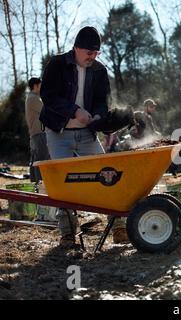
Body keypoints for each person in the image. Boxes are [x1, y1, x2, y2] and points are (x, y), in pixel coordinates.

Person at [40, 26, 127, 247]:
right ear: (76, 48)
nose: (92, 57)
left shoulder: (99, 70)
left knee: (107, 176)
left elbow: (102, 100)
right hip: (58, 132)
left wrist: (98, 114)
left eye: (96, 53)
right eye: (88, 52)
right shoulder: (57, 64)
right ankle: (68, 232)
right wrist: (74, 111)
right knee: (63, 182)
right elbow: (48, 95)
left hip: (86, 134)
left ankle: (118, 227)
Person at [25, 77, 50, 182]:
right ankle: (40, 182)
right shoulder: (33, 98)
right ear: (35, 86)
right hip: (39, 132)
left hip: (35, 133)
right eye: (40, 85)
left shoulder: (32, 97)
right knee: (42, 158)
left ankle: (35, 183)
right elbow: (46, 110)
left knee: (36, 159)